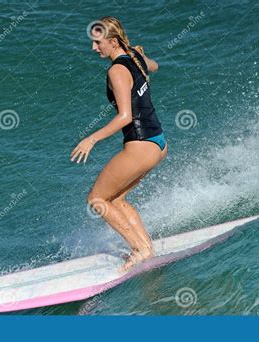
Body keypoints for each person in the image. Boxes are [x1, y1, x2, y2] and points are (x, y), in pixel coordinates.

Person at [70, 16, 168, 272]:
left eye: (97, 43)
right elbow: (154, 66)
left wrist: (92, 138)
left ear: (112, 41)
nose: (94, 48)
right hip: (157, 141)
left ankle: (140, 250)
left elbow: (124, 116)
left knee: (98, 199)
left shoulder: (116, 70)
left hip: (140, 144)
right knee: (117, 199)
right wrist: (141, 57)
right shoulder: (134, 56)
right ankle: (146, 247)